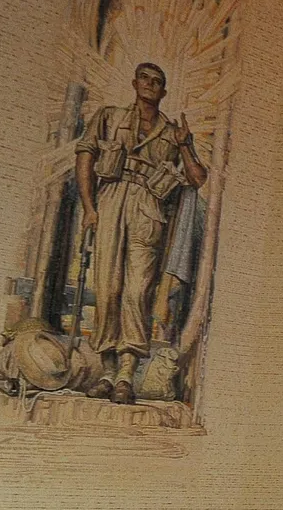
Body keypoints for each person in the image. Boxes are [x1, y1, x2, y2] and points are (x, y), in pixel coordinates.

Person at [74, 63, 207, 404]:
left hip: (148, 208)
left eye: (157, 81)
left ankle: (125, 374)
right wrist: (89, 207)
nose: (150, 84)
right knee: (107, 288)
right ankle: (107, 371)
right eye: (145, 78)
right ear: (134, 83)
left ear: (164, 91)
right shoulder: (109, 116)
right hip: (110, 200)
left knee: (137, 292)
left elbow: (197, 178)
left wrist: (186, 145)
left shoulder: (171, 131)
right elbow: (85, 158)